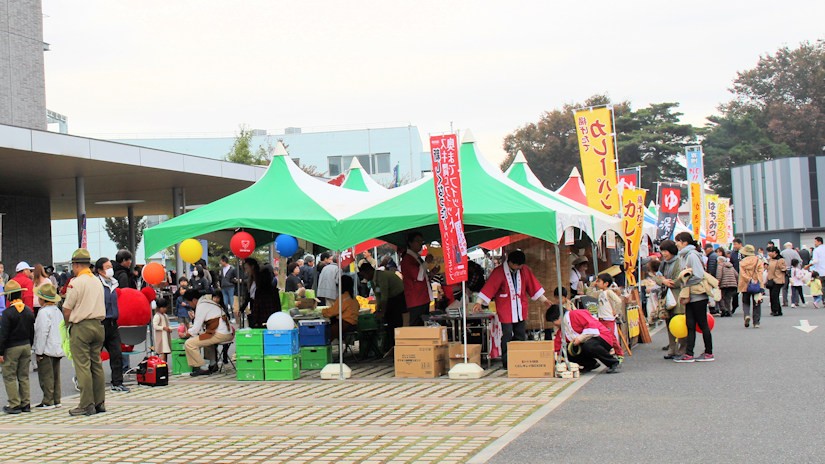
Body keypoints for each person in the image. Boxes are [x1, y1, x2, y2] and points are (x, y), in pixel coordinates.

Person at [472, 250, 551, 369]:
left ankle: (518, 359)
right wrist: (479, 302)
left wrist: (544, 300)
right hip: (505, 308)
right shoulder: (499, 272)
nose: (519, 267)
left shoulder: (524, 270)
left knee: (520, 335)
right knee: (507, 334)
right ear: (511, 263)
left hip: (520, 307)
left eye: (521, 265)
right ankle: (507, 362)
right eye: (518, 265)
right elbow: (489, 288)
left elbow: (533, 286)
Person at [62, 248, 106, 416]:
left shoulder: (76, 282)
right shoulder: (97, 281)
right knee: (96, 365)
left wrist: (67, 325)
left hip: (81, 326)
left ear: (76, 265)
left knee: (82, 366)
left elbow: (67, 309)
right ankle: (99, 402)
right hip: (98, 325)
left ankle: (86, 404)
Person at [673, 232, 713, 363]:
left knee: (702, 323)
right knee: (689, 324)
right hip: (690, 295)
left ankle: (708, 352)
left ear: (684, 242)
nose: (676, 244)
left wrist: (684, 282)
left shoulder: (691, 255)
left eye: (677, 241)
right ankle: (689, 353)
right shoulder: (685, 255)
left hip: (698, 294)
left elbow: (698, 275)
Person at [547, 304, 620, 373]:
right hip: (587, 343)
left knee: (589, 345)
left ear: (558, 318)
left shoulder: (576, 314)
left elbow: (592, 327)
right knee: (565, 351)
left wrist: (580, 338)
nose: (554, 325)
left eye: (553, 322)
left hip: (601, 337)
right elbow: (557, 347)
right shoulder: (562, 330)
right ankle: (590, 364)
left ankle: (613, 362)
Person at [93, 257, 129, 393]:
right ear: (100, 270)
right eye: (107, 267)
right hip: (100, 322)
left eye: (110, 266)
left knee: (117, 353)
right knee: (95, 354)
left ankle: (117, 382)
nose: (110, 269)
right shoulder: (96, 284)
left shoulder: (114, 283)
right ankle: (88, 381)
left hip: (113, 323)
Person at [0, 280, 35, 414]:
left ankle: (14, 404)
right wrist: (30, 345)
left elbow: (3, 335)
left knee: (9, 376)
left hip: (12, 347)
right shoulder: (28, 310)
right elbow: (32, 331)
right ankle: (26, 403)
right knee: (23, 376)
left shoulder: (8, 314)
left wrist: (1, 351)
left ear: (8, 296)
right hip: (26, 345)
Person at [182, 289, 234, 376]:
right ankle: (212, 364)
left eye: (188, 302)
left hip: (220, 334)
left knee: (189, 343)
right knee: (205, 339)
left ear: (194, 300)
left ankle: (201, 367)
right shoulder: (207, 302)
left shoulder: (201, 306)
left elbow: (196, 329)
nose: (189, 304)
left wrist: (185, 335)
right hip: (227, 333)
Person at [32, 283, 65, 409]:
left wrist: (38, 351)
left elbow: (41, 332)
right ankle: (57, 399)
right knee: (56, 376)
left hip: (46, 348)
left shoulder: (43, 313)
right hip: (57, 347)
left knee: (46, 376)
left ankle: (48, 400)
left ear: (42, 299)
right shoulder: (58, 311)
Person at [359, 262, 406, 349]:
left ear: (369, 271)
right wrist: (378, 309)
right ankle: (390, 344)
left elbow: (384, 296)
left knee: (395, 321)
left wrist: (382, 312)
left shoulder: (381, 276)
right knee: (388, 321)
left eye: (364, 275)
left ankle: (397, 344)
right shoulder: (372, 281)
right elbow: (378, 296)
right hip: (390, 298)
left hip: (398, 297)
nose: (364, 277)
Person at [654, 240, 686, 359]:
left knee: (679, 322)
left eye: (665, 251)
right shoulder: (663, 263)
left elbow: (679, 280)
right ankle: (672, 349)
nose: (664, 253)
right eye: (662, 251)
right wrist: (663, 281)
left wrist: (666, 281)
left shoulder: (679, 262)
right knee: (669, 323)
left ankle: (682, 349)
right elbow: (657, 277)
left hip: (677, 296)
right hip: (666, 296)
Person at [401, 231, 433, 327]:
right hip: (416, 299)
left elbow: (422, 277)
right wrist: (426, 263)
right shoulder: (407, 259)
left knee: (423, 326)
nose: (420, 244)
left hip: (422, 298)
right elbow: (419, 277)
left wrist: (431, 273)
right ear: (410, 243)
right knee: (417, 327)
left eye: (421, 241)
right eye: (417, 241)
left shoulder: (416, 258)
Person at [589, 273, 624, 359]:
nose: (597, 283)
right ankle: (609, 353)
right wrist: (591, 286)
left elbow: (618, 301)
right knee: (603, 337)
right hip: (601, 318)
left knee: (611, 337)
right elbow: (590, 294)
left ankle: (619, 354)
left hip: (608, 318)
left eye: (599, 281)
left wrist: (616, 311)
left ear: (606, 284)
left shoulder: (609, 292)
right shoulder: (600, 293)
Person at [240, 258, 279, 328]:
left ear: (252, 266)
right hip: (255, 308)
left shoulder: (260, 286)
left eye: (247, 268)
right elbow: (249, 296)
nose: (246, 271)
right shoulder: (251, 280)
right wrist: (242, 308)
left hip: (261, 312)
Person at [322, 274, 359, 341]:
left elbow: (333, 312)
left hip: (345, 324)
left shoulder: (344, 298)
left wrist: (322, 312)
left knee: (325, 332)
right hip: (354, 324)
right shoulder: (353, 298)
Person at [737, 245, 764, 328]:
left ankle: (747, 315)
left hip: (745, 284)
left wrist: (749, 279)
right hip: (756, 284)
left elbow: (742, 274)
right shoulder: (758, 261)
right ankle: (756, 322)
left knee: (745, 301)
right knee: (757, 302)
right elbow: (761, 272)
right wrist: (756, 280)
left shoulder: (742, 262)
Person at [716, 253, 739, 317]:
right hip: (732, 285)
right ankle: (728, 311)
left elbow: (719, 275)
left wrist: (717, 283)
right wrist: (736, 282)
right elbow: (737, 275)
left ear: (720, 261)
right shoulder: (731, 266)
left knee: (721, 297)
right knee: (728, 299)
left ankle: (724, 310)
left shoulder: (720, 266)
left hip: (724, 284)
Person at [766, 246, 787, 316]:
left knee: (774, 295)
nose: (768, 253)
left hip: (778, 279)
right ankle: (775, 310)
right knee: (772, 296)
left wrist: (783, 268)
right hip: (771, 280)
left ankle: (776, 310)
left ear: (775, 252)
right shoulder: (770, 260)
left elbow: (784, 268)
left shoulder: (780, 260)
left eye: (770, 252)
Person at [780, 242, 801, 307]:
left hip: (785, 270)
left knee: (785, 287)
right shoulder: (795, 252)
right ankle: (796, 301)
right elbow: (800, 260)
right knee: (795, 286)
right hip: (794, 270)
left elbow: (780, 261)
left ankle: (785, 302)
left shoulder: (782, 252)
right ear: (791, 246)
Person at [152, 297, 172, 362]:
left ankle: (165, 364)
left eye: (165, 308)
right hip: (161, 337)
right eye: (163, 308)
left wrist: (169, 329)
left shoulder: (165, 316)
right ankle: (161, 365)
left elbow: (168, 324)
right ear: (158, 308)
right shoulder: (157, 316)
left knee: (166, 352)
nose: (164, 309)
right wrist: (163, 328)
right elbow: (155, 326)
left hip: (166, 336)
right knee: (163, 351)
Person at [730, 238, 743, 315]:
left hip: (745, 275)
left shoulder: (744, 252)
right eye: (734, 244)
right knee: (735, 292)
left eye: (735, 244)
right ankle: (734, 305)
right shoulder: (733, 253)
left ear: (740, 244)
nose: (734, 246)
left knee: (746, 292)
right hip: (736, 274)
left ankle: (746, 307)